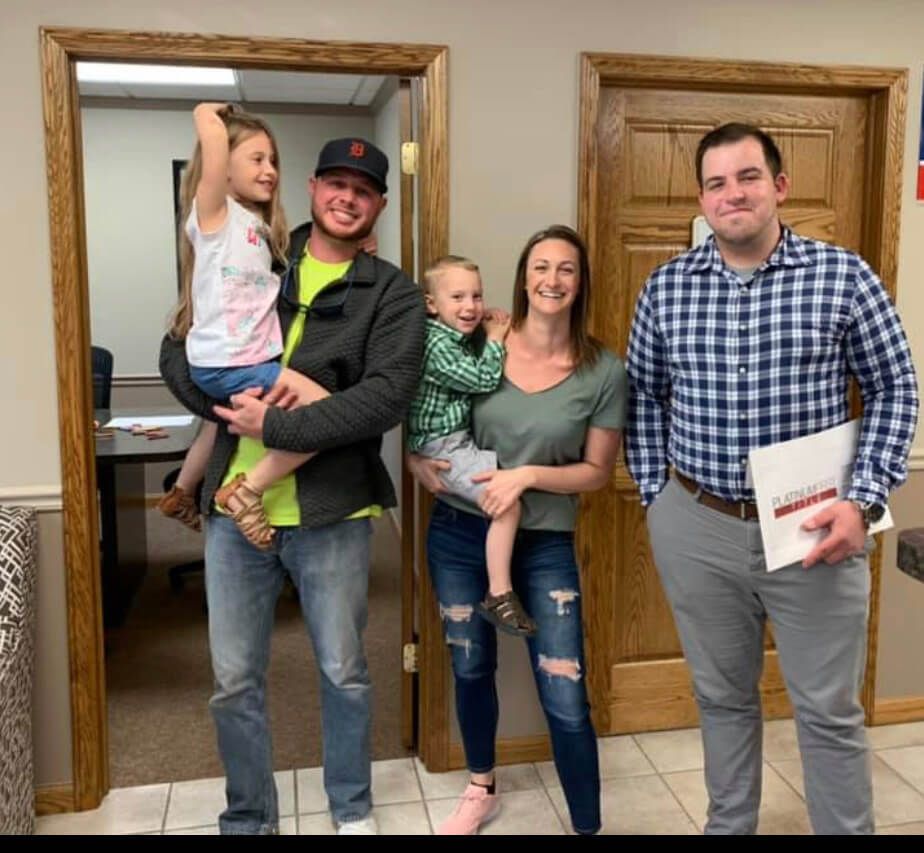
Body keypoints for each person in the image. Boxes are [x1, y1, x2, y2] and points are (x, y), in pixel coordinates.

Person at [625, 122, 918, 835]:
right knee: (722, 698)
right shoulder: (666, 288)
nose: (734, 194)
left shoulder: (843, 276)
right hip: (697, 522)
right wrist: (655, 496)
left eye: (748, 177)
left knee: (828, 708)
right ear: (702, 197)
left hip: (817, 528)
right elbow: (641, 397)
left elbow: (895, 388)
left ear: (779, 186)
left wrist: (865, 498)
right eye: (717, 182)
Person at [159, 135, 426, 835]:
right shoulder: (256, 250)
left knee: (344, 671)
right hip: (231, 515)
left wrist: (278, 427)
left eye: (363, 189)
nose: (347, 197)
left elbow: (385, 398)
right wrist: (231, 407)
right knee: (234, 681)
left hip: (332, 512)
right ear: (311, 187)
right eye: (336, 182)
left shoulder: (392, 292)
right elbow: (178, 341)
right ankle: (248, 817)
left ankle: (352, 809)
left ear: (380, 205)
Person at [408, 225, 627, 835]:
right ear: (523, 277)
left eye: (566, 269)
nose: (551, 280)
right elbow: (426, 407)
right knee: (470, 667)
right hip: (458, 533)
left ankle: (587, 825)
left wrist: (527, 475)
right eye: (540, 267)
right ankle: (482, 786)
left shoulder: (604, 370)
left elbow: (597, 474)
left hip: (545, 548)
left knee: (565, 693)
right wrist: (412, 458)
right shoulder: (479, 344)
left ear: (581, 283)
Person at [157, 102, 329, 550]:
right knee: (327, 416)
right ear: (223, 169)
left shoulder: (253, 226)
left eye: (273, 160)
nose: (270, 169)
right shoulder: (215, 217)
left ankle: (181, 493)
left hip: (230, 361)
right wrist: (206, 116)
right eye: (257, 158)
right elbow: (212, 154)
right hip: (233, 362)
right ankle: (247, 490)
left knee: (218, 424)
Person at [407, 255, 536, 636]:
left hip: (452, 443)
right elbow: (481, 379)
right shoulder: (435, 344)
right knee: (507, 505)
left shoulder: (452, 336)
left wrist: (483, 326)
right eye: (458, 297)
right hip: (442, 449)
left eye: (476, 296)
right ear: (432, 305)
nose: (470, 307)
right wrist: (496, 338)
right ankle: (500, 593)